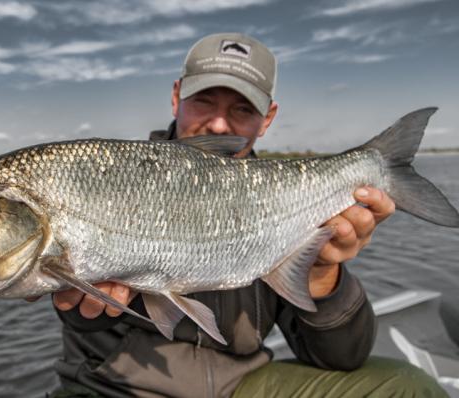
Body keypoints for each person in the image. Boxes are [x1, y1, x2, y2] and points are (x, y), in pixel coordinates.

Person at [45, 33, 448, 397]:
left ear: (268, 118)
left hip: (241, 386)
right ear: (176, 96)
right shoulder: (109, 176)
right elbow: (84, 322)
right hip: (118, 388)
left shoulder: (290, 199)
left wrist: (324, 274)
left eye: (242, 108)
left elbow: (342, 357)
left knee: (409, 387)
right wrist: (83, 313)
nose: (219, 123)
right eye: (204, 100)